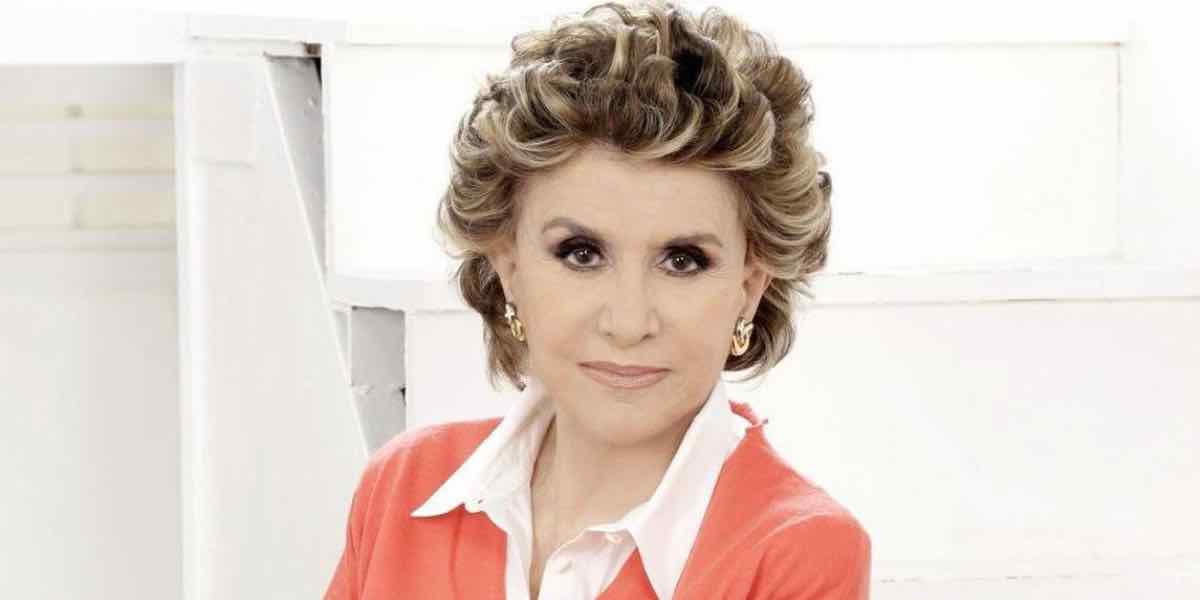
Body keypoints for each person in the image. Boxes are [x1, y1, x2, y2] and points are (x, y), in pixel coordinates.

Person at [324, 1, 869, 598]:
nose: (628, 322)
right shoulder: (403, 487)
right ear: (508, 266)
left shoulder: (799, 552)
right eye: (581, 254)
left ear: (750, 287)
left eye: (682, 260)